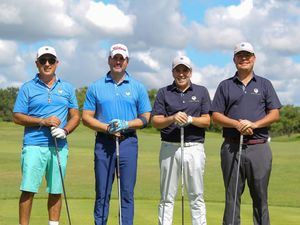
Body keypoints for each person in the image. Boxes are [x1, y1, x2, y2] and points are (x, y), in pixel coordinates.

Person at [210, 42, 282, 225]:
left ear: (254, 58)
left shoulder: (265, 84)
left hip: (259, 147)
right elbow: (216, 115)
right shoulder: (225, 85)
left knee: (260, 197)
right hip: (231, 147)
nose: (244, 59)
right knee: (232, 197)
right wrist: (237, 124)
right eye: (240, 55)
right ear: (234, 59)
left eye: (247, 55)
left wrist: (254, 124)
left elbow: (275, 114)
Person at [82, 43, 152, 225]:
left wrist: (126, 124)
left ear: (127, 61)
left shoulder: (138, 87)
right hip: (104, 142)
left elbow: (145, 117)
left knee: (126, 193)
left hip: (128, 142)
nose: (118, 62)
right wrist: (106, 128)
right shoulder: (96, 87)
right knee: (102, 192)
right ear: (109, 60)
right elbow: (86, 117)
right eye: (115, 58)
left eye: (122, 58)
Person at [13, 46, 80, 225]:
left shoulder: (67, 88)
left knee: (56, 190)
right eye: (43, 60)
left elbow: (75, 116)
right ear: (37, 64)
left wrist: (65, 131)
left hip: (59, 146)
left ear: (57, 63)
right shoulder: (27, 88)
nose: (47, 64)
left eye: (51, 60)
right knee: (28, 189)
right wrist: (43, 121)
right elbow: (17, 116)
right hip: (34, 145)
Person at [152, 55, 211, 225]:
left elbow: (207, 120)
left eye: (185, 70)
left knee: (196, 195)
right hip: (169, 147)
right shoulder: (164, 92)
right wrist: (172, 118)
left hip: (194, 147)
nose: (181, 74)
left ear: (190, 72)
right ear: (173, 72)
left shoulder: (201, 91)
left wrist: (190, 120)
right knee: (166, 196)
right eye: (178, 70)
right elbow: (156, 121)